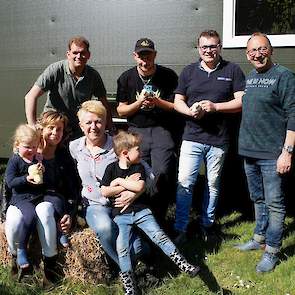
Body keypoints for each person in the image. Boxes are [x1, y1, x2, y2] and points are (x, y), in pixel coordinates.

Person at [100, 130, 200, 295]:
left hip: (141, 211)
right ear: (125, 153)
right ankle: (130, 286)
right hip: (121, 216)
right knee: (122, 248)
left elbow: (139, 187)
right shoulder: (111, 169)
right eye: (137, 149)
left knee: (159, 235)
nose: (140, 152)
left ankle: (184, 265)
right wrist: (123, 183)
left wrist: (118, 183)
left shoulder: (138, 166)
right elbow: (104, 191)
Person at [173, 30, 245, 243]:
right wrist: (189, 111)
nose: (209, 51)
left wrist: (216, 107)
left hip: (218, 140)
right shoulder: (188, 71)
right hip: (192, 137)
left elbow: (241, 101)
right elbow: (178, 101)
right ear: (198, 48)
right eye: (204, 47)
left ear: (220, 47)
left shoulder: (232, 70)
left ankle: (207, 225)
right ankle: (181, 228)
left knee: (212, 184)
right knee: (185, 182)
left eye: (213, 46)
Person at [235, 32, 295, 272]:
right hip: (249, 150)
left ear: (271, 50)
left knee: (275, 204)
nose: (257, 54)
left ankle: (272, 250)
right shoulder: (250, 76)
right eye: (252, 51)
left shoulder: (284, 76)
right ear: (247, 55)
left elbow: (294, 115)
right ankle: (259, 238)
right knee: (257, 198)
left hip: (272, 153)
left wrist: (287, 152)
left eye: (262, 49)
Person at [69, 100, 151, 266]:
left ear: (106, 122)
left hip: (120, 204)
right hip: (94, 204)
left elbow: (149, 174)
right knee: (105, 228)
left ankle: (136, 255)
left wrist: (136, 192)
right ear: (81, 126)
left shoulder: (117, 145)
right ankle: (126, 270)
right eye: (89, 122)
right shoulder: (74, 147)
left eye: (99, 121)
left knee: (139, 248)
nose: (94, 126)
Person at [5, 111, 78, 281]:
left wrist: (70, 213)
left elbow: (72, 188)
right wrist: (4, 212)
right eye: (50, 128)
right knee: (15, 220)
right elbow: (8, 186)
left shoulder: (64, 155)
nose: (54, 132)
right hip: (24, 199)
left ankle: (50, 266)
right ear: (41, 129)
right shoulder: (27, 151)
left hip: (51, 200)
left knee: (44, 211)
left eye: (59, 129)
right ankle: (16, 262)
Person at [116, 38, 181, 222]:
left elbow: (176, 106)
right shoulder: (126, 78)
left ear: (155, 55)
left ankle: (160, 217)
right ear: (135, 56)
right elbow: (121, 109)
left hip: (161, 129)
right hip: (137, 130)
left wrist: (157, 102)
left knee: (162, 172)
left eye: (149, 55)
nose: (145, 60)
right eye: (141, 56)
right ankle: (141, 217)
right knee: (138, 173)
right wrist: (139, 102)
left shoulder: (167, 76)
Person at [25, 36, 112, 139]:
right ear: (68, 54)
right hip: (53, 127)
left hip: (77, 130)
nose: (79, 56)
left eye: (83, 53)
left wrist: (110, 128)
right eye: (75, 53)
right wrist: (32, 126)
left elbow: (104, 103)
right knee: (48, 154)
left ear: (88, 55)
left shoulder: (93, 75)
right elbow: (30, 96)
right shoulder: (55, 70)